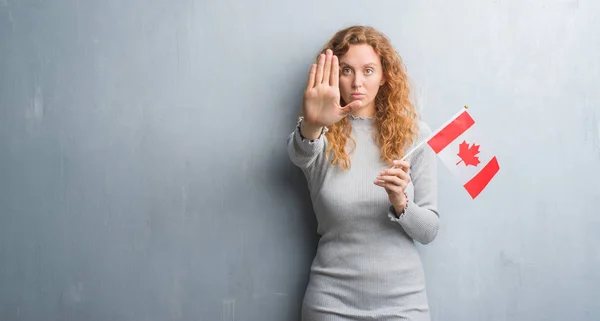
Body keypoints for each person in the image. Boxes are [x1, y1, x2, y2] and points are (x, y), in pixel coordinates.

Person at [286, 25, 440, 321]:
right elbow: (299, 153)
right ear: (334, 76)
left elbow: (429, 231)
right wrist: (312, 125)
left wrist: (401, 203)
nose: (357, 82)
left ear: (384, 76)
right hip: (331, 303)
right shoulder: (320, 134)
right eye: (346, 71)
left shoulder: (416, 136)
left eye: (368, 71)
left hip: (402, 304)